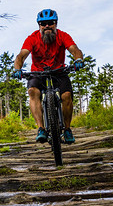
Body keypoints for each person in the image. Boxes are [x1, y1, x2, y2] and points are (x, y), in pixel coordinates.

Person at [13, 9, 84, 144]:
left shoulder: (63, 36)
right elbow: (21, 56)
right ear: (39, 25)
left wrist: (78, 59)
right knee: (32, 91)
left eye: (50, 23)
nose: (47, 26)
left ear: (55, 24)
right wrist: (18, 69)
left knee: (66, 95)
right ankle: (41, 128)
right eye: (43, 23)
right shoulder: (32, 38)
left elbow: (75, 50)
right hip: (38, 73)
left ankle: (67, 129)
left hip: (59, 71)